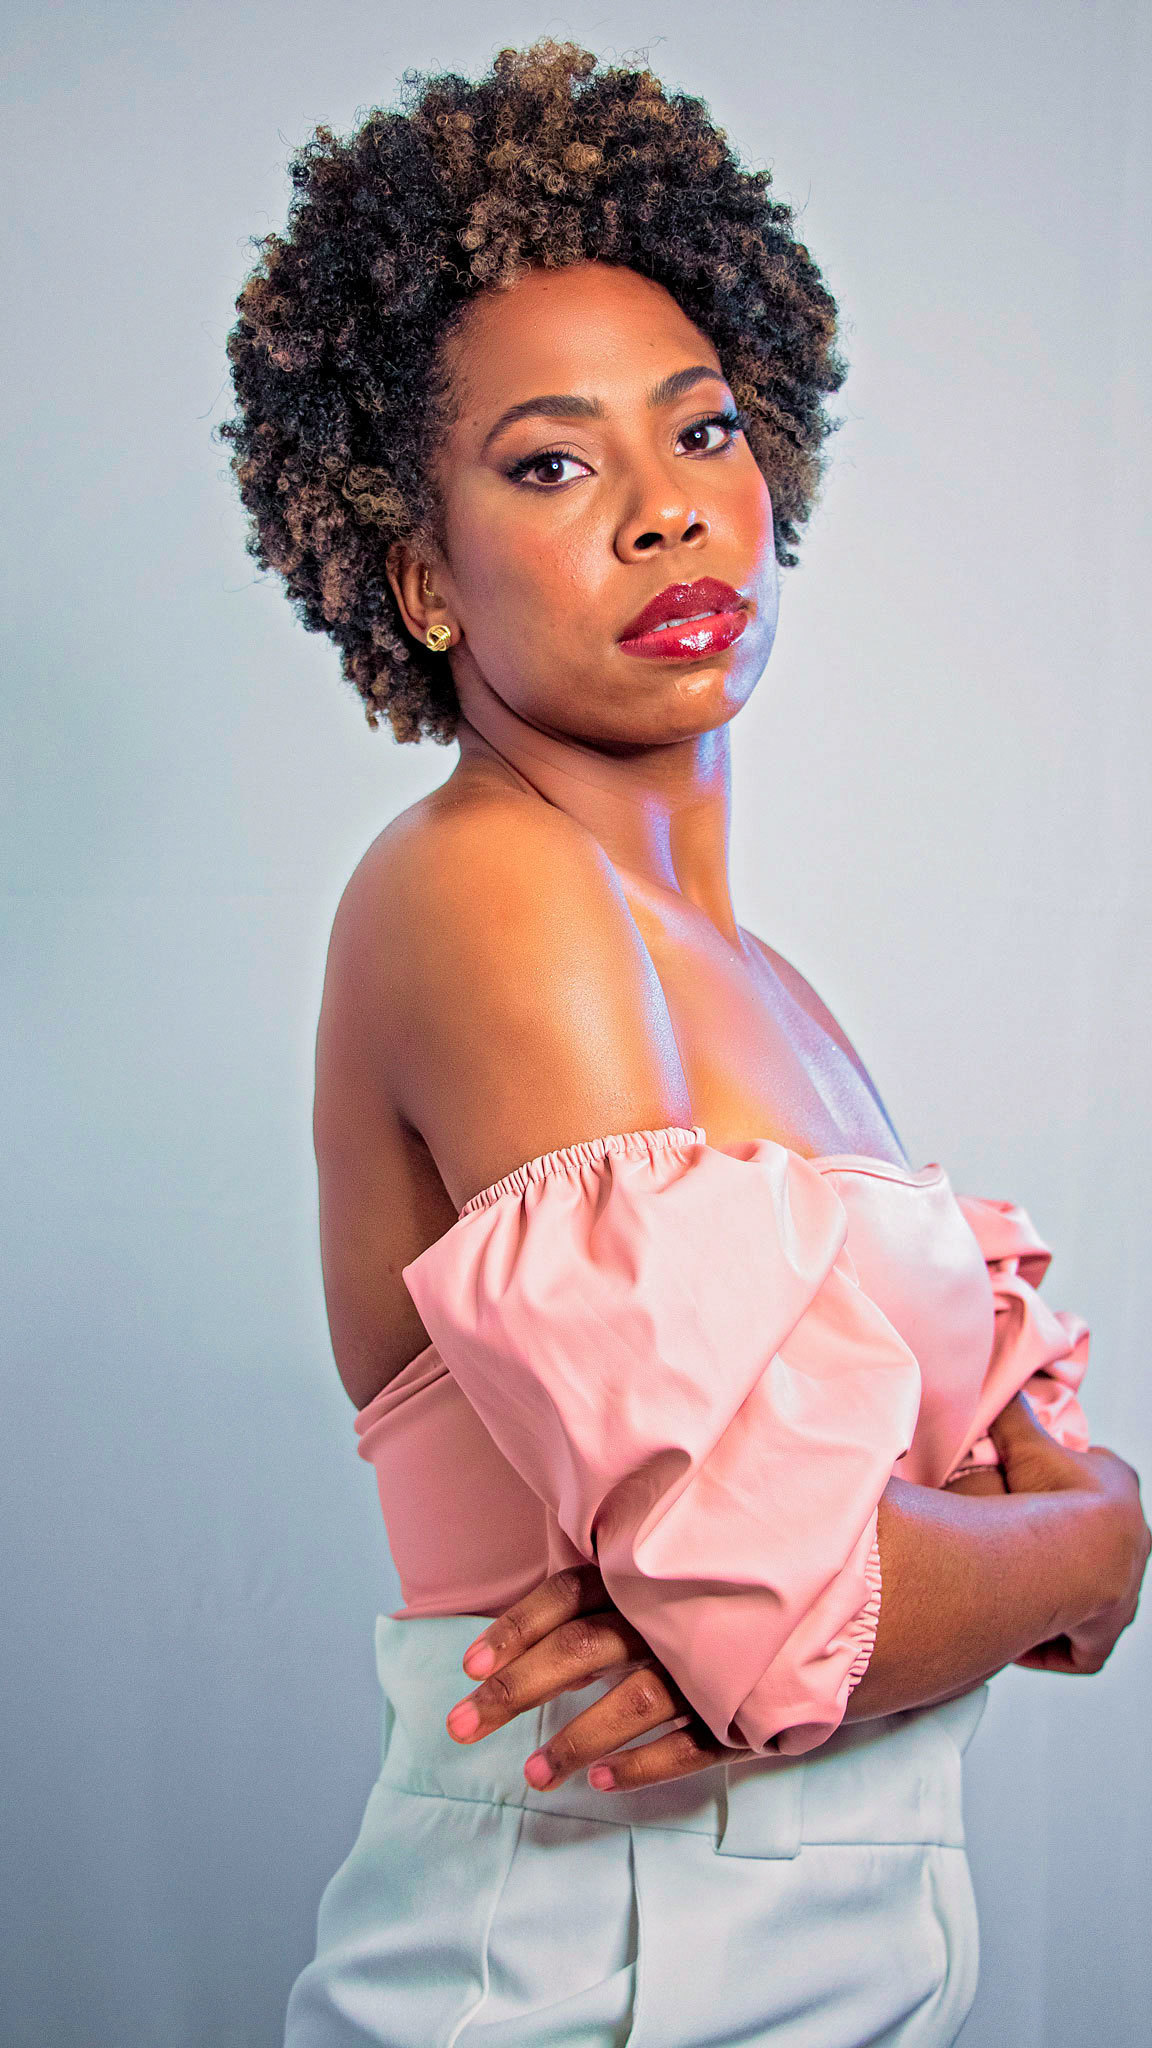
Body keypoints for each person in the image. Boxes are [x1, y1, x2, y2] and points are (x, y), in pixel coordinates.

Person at [221, 40, 1150, 2047]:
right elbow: (795, 1594)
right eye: (552, 464)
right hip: (587, 1992)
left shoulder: (770, 991)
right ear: (416, 572)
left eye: (704, 428)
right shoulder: (485, 888)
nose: (664, 512)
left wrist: (950, 1566)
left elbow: (872, 1566)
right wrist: (1094, 1540)